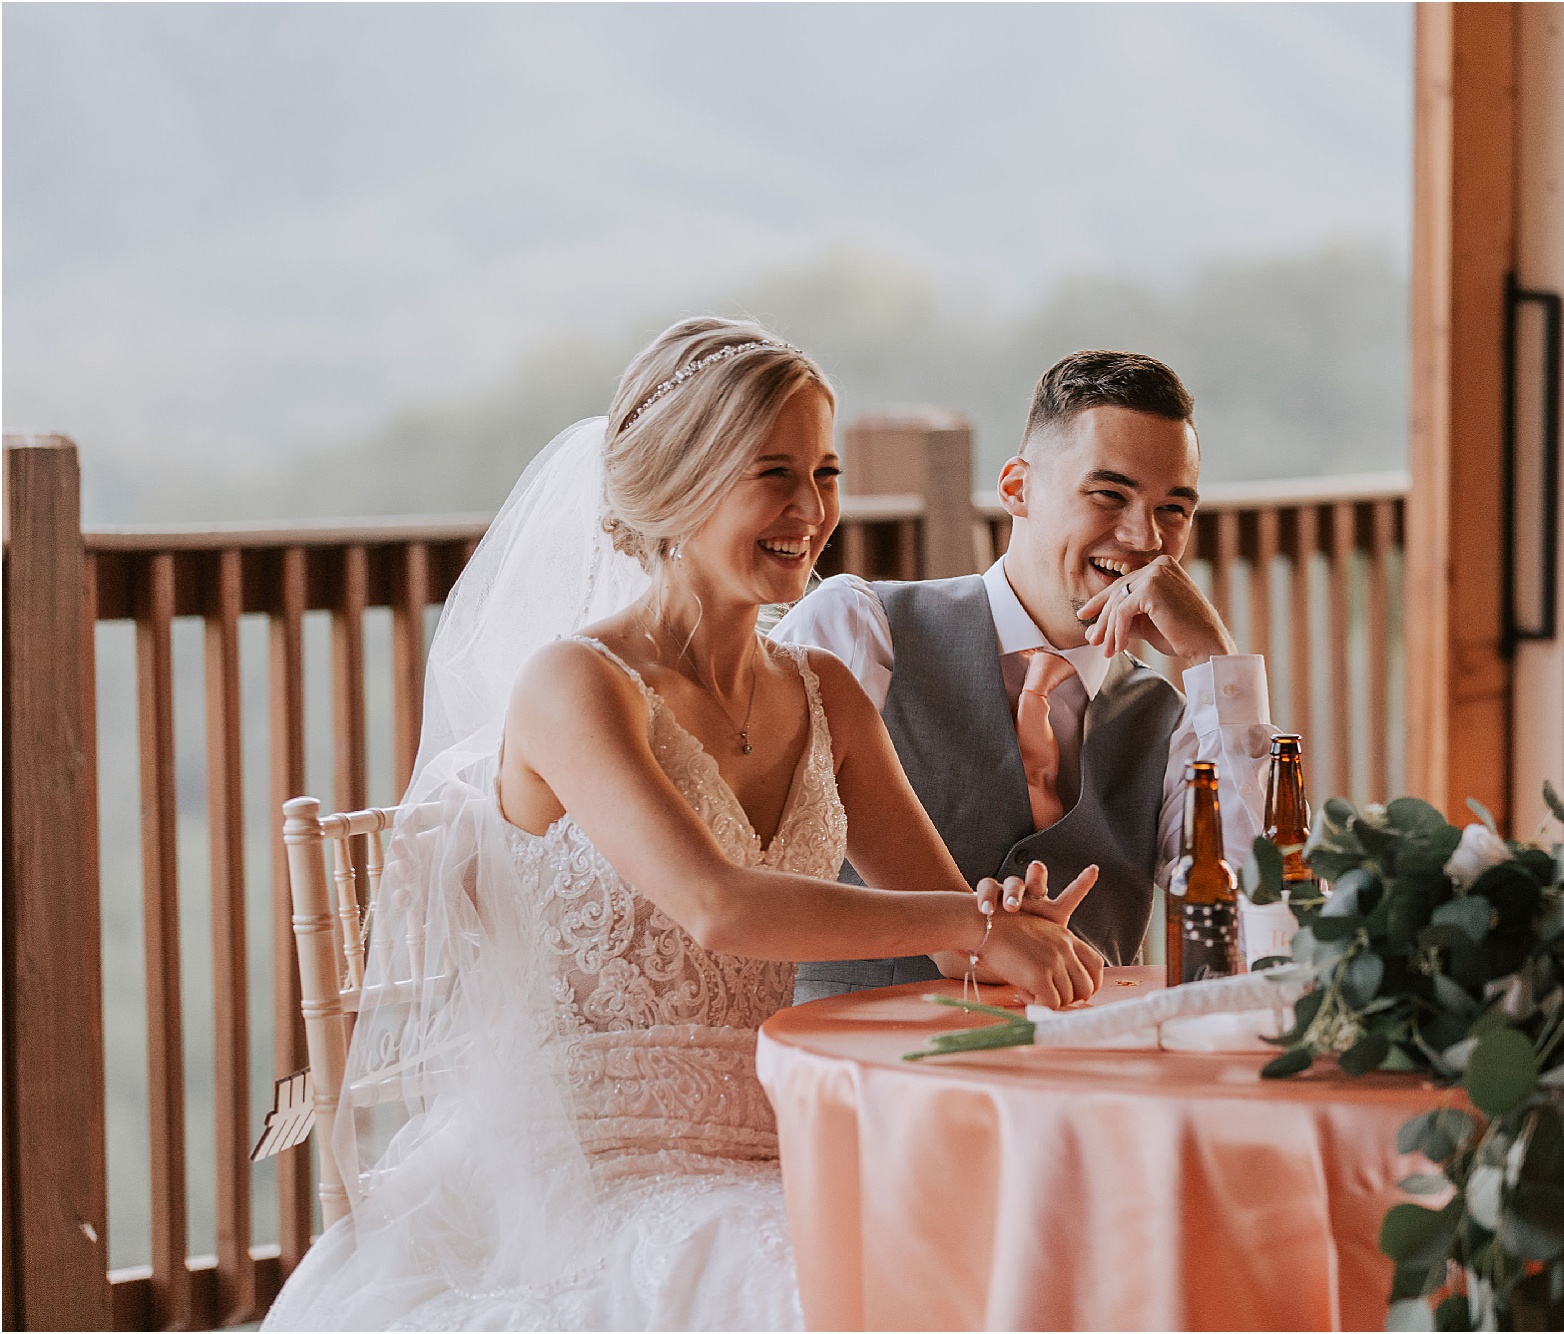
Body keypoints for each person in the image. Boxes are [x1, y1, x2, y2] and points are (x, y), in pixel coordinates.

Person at [262, 318, 1102, 1331]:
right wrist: (975, 922)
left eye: (824, 472)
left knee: (1028, 1240)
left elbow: (942, 927)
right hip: (596, 1172)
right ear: (680, 483)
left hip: (783, 1137)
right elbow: (716, 906)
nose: (810, 508)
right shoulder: (575, 684)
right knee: (831, 1285)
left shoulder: (826, 690)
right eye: (772, 472)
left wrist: (1008, 927)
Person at [774, 350, 1275, 1003]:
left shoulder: (1176, 723)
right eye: (1108, 494)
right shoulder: (859, 630)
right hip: (859, 1068)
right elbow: (754, 865)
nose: (1143, 536)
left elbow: (1263, 910)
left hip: (1071, 1085)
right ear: (1017, 488)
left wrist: (1215, 658)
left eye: (1173, 509)